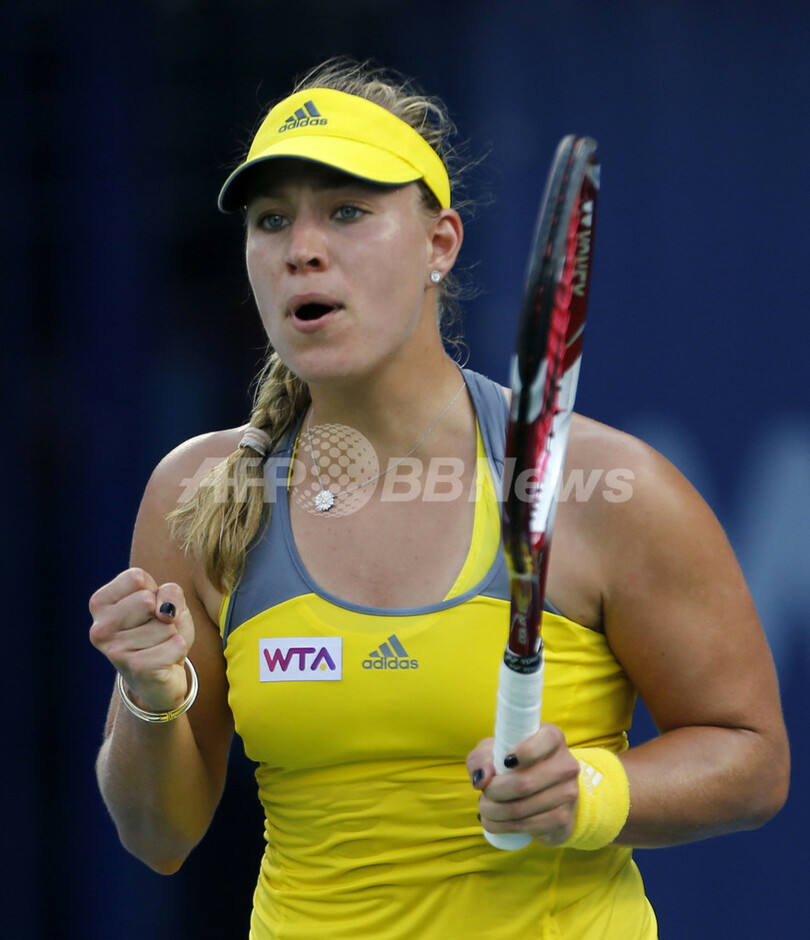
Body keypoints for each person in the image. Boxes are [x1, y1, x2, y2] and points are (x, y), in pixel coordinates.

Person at [88, 58, 789, 939]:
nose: (303, 247)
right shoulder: (195, 494)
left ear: (440, 244)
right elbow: (158, 837)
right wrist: (151, 697)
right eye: (272, 221)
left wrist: (588, 795)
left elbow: (751, 759)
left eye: (348, 211)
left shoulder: (609, 488)